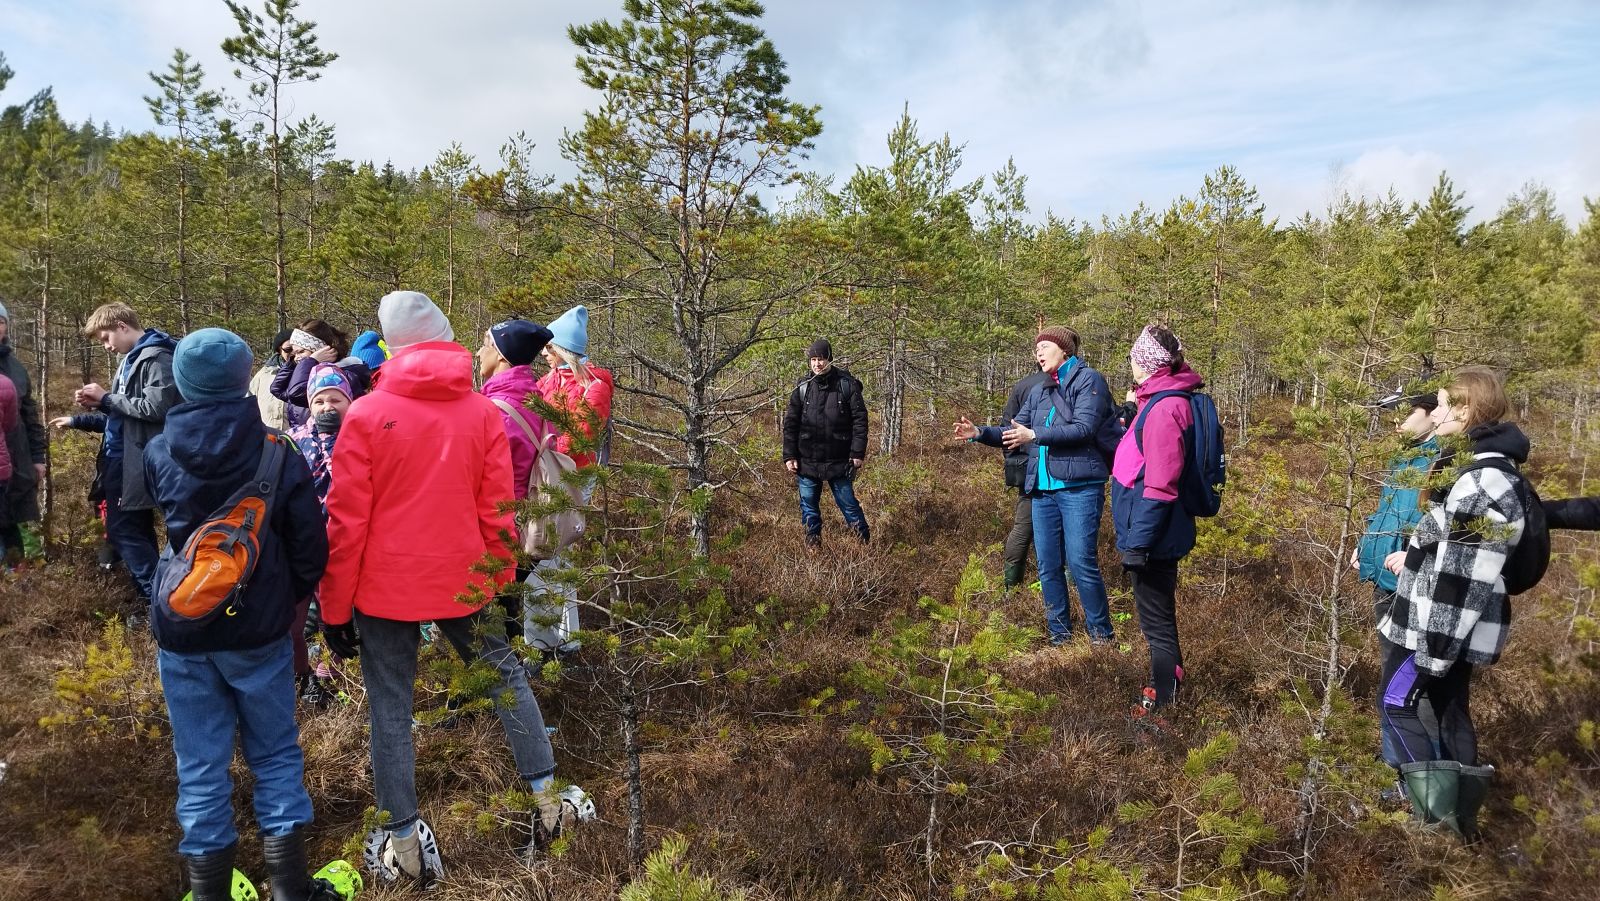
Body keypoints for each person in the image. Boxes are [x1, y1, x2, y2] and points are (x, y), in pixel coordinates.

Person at [319, 291, 585, 885]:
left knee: (390, 707)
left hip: (382, 590)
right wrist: (500, 577)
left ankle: (405, 845)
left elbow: (346, 525)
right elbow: (496, 514)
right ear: (445, 338)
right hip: (466, 581)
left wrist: (334, 610)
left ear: (393, 345)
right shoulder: (479, 413)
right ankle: (547, 802)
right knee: (506, 677)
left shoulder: (365, 416)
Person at [142, 328, 344, 901]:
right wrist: (281, 604)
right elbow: (310, 549)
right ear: (242, 380)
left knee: (200, 764)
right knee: (276, 753)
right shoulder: (278, 451)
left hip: (183, 628)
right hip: (259, 631)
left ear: (182, 381)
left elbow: (161, 529)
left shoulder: (159, 450)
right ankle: (290, 889)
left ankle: (208, 893)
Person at [1378, 366, 1528, 837]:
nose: (1436, 412)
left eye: (1443, 404)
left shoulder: (1481, 483)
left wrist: (1435, 649)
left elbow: (1462, 578)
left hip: (1437, 626)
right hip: (1447, 622)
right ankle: (1461, 819)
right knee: (1448, 708)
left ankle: (1436, 817)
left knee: (1396, 703)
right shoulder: (1487, 470)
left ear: (1465, 410)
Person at [955, 327, 1112, 645]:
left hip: (1079, 487)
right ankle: (1060, 637)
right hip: (1041, 489)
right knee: (1048, 565)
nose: (1038, 353)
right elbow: (1013, 430)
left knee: (1081, 561)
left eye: (1044, 346)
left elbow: (1084, 428)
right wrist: (979, 433)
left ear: (1064, 350)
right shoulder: (1040, 389)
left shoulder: (1089, 380)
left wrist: (1035, 435)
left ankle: (1101, 638)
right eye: (1036, 348)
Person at [51, 303, 179, 604]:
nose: (107, 346)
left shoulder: (156, 357)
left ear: (122, 326)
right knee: (136, 530)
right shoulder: (131, 359)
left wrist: (107, 397)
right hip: (120, 457)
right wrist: (84, 416)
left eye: (106, 337)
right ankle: (157, 598)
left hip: (133, 461)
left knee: (124, 531)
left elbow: (157, 408)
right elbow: (124, 414)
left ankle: (155, 601)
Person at [1110, 324, 1204, 714]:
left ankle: (1162, 702)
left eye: (1134, 357)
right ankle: (1165, 688)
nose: (1130, 362)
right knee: (1157, 616)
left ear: (1147, 364)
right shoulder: (1160, 400)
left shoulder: (1166, 407)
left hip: (1154, 536)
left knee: (1157, 623)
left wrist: (1138, 544)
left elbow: (1161, 485)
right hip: (1153, 531)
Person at [1351, 390, 1441, 776]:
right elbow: (1385, 510)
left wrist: (1415, 557)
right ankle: (1399, 759)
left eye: (1408, 414)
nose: (1398, 423)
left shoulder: (1442, 463)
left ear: (1433, 415)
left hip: (1413, 582)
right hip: (1386, 576)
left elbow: (1444, 527)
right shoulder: (1403, 457)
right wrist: (1364, 544)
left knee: (1409, 678)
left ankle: (1420, 772)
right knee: (1391, 667)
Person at [527, 304, 613, 652]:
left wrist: (546, 446)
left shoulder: (595, 385)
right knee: (548, 555)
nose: (544, 353)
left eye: (549, 347)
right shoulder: (546, 381)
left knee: (554, 555)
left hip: (572, 475)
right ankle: (553, 640)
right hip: (547, 471)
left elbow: (583, 437)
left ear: (564, 348)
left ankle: (558, 642)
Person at [476, 318, 555, 643]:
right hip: (526, 526)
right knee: (506, 612)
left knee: (492, 623)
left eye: (485, 344)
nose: (478, 352)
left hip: (501, 528)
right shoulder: (532, 397)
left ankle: (507, 684)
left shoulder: (499, 410)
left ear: (501, 355)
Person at [955, 349, 1060, 590]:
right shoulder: (1058, 386)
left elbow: (1007, 427)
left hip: (1027, 468)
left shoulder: (1023, 386)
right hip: (1048, 469)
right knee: (1052, 529)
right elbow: (1010, 428)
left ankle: (1011, 588)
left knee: (1024, 526)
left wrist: (1013, 459)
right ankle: (1054, 584)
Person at [288, 364, 358, 707]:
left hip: (350, 546)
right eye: (319, 401)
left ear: (351, 402)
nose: (327, 407)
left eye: (336, 399)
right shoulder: (294, 440)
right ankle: (304, 678)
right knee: (300, 620)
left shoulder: (363, 438)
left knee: (341, 617)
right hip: (305, 544)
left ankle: (334, 675)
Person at [782, 338, 870, 548]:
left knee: (849, 506)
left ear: (829, 359)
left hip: (838, 461)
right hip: (807, 461)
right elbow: (791, 423)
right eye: (813, 359)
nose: (817, 364)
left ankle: (865, 545)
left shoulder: (846, 385)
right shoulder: (803, 387)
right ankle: (813, 545)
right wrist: (789, 455)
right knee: (809, 507)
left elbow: (860, 421)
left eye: (821, 359)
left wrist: (857, 453)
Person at [0, 299, 46, 566]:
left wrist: (38, 457)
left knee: (13, 524)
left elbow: (30, 416)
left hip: (17, 459)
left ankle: (19, 585)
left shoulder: (16, 368)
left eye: (1, 322)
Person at [270, 319, 371, 431]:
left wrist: (310, 361)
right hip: (308, 438)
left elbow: (296, 393)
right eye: (294, 353)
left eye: (301, 352)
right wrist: (293, 363)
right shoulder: (306, 371)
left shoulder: (339, 374)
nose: (297, 357)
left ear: (320, 350)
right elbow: (277, 389)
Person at [250, 328, 293, 431]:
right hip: (268, 439)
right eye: (288, 349)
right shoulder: (263, 374)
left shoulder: (307, 373)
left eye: (297, 348)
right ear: (279, 350)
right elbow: (248, 407)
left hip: (300, 441)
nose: (293, 353)